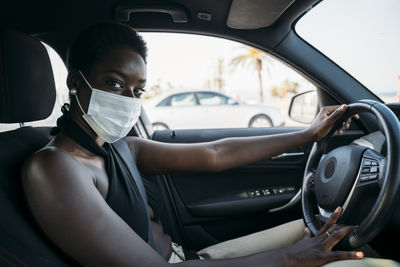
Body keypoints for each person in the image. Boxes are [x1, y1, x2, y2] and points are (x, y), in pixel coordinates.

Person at [20, 22, 396, 267]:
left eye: (138, 90)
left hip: (190, 259)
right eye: (114, 84)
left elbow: (215, 155)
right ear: (75, 82)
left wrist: (304, 135)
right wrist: (291, 260)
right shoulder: (52, 168)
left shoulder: (119, 146)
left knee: (321, 232)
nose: (127, 99)